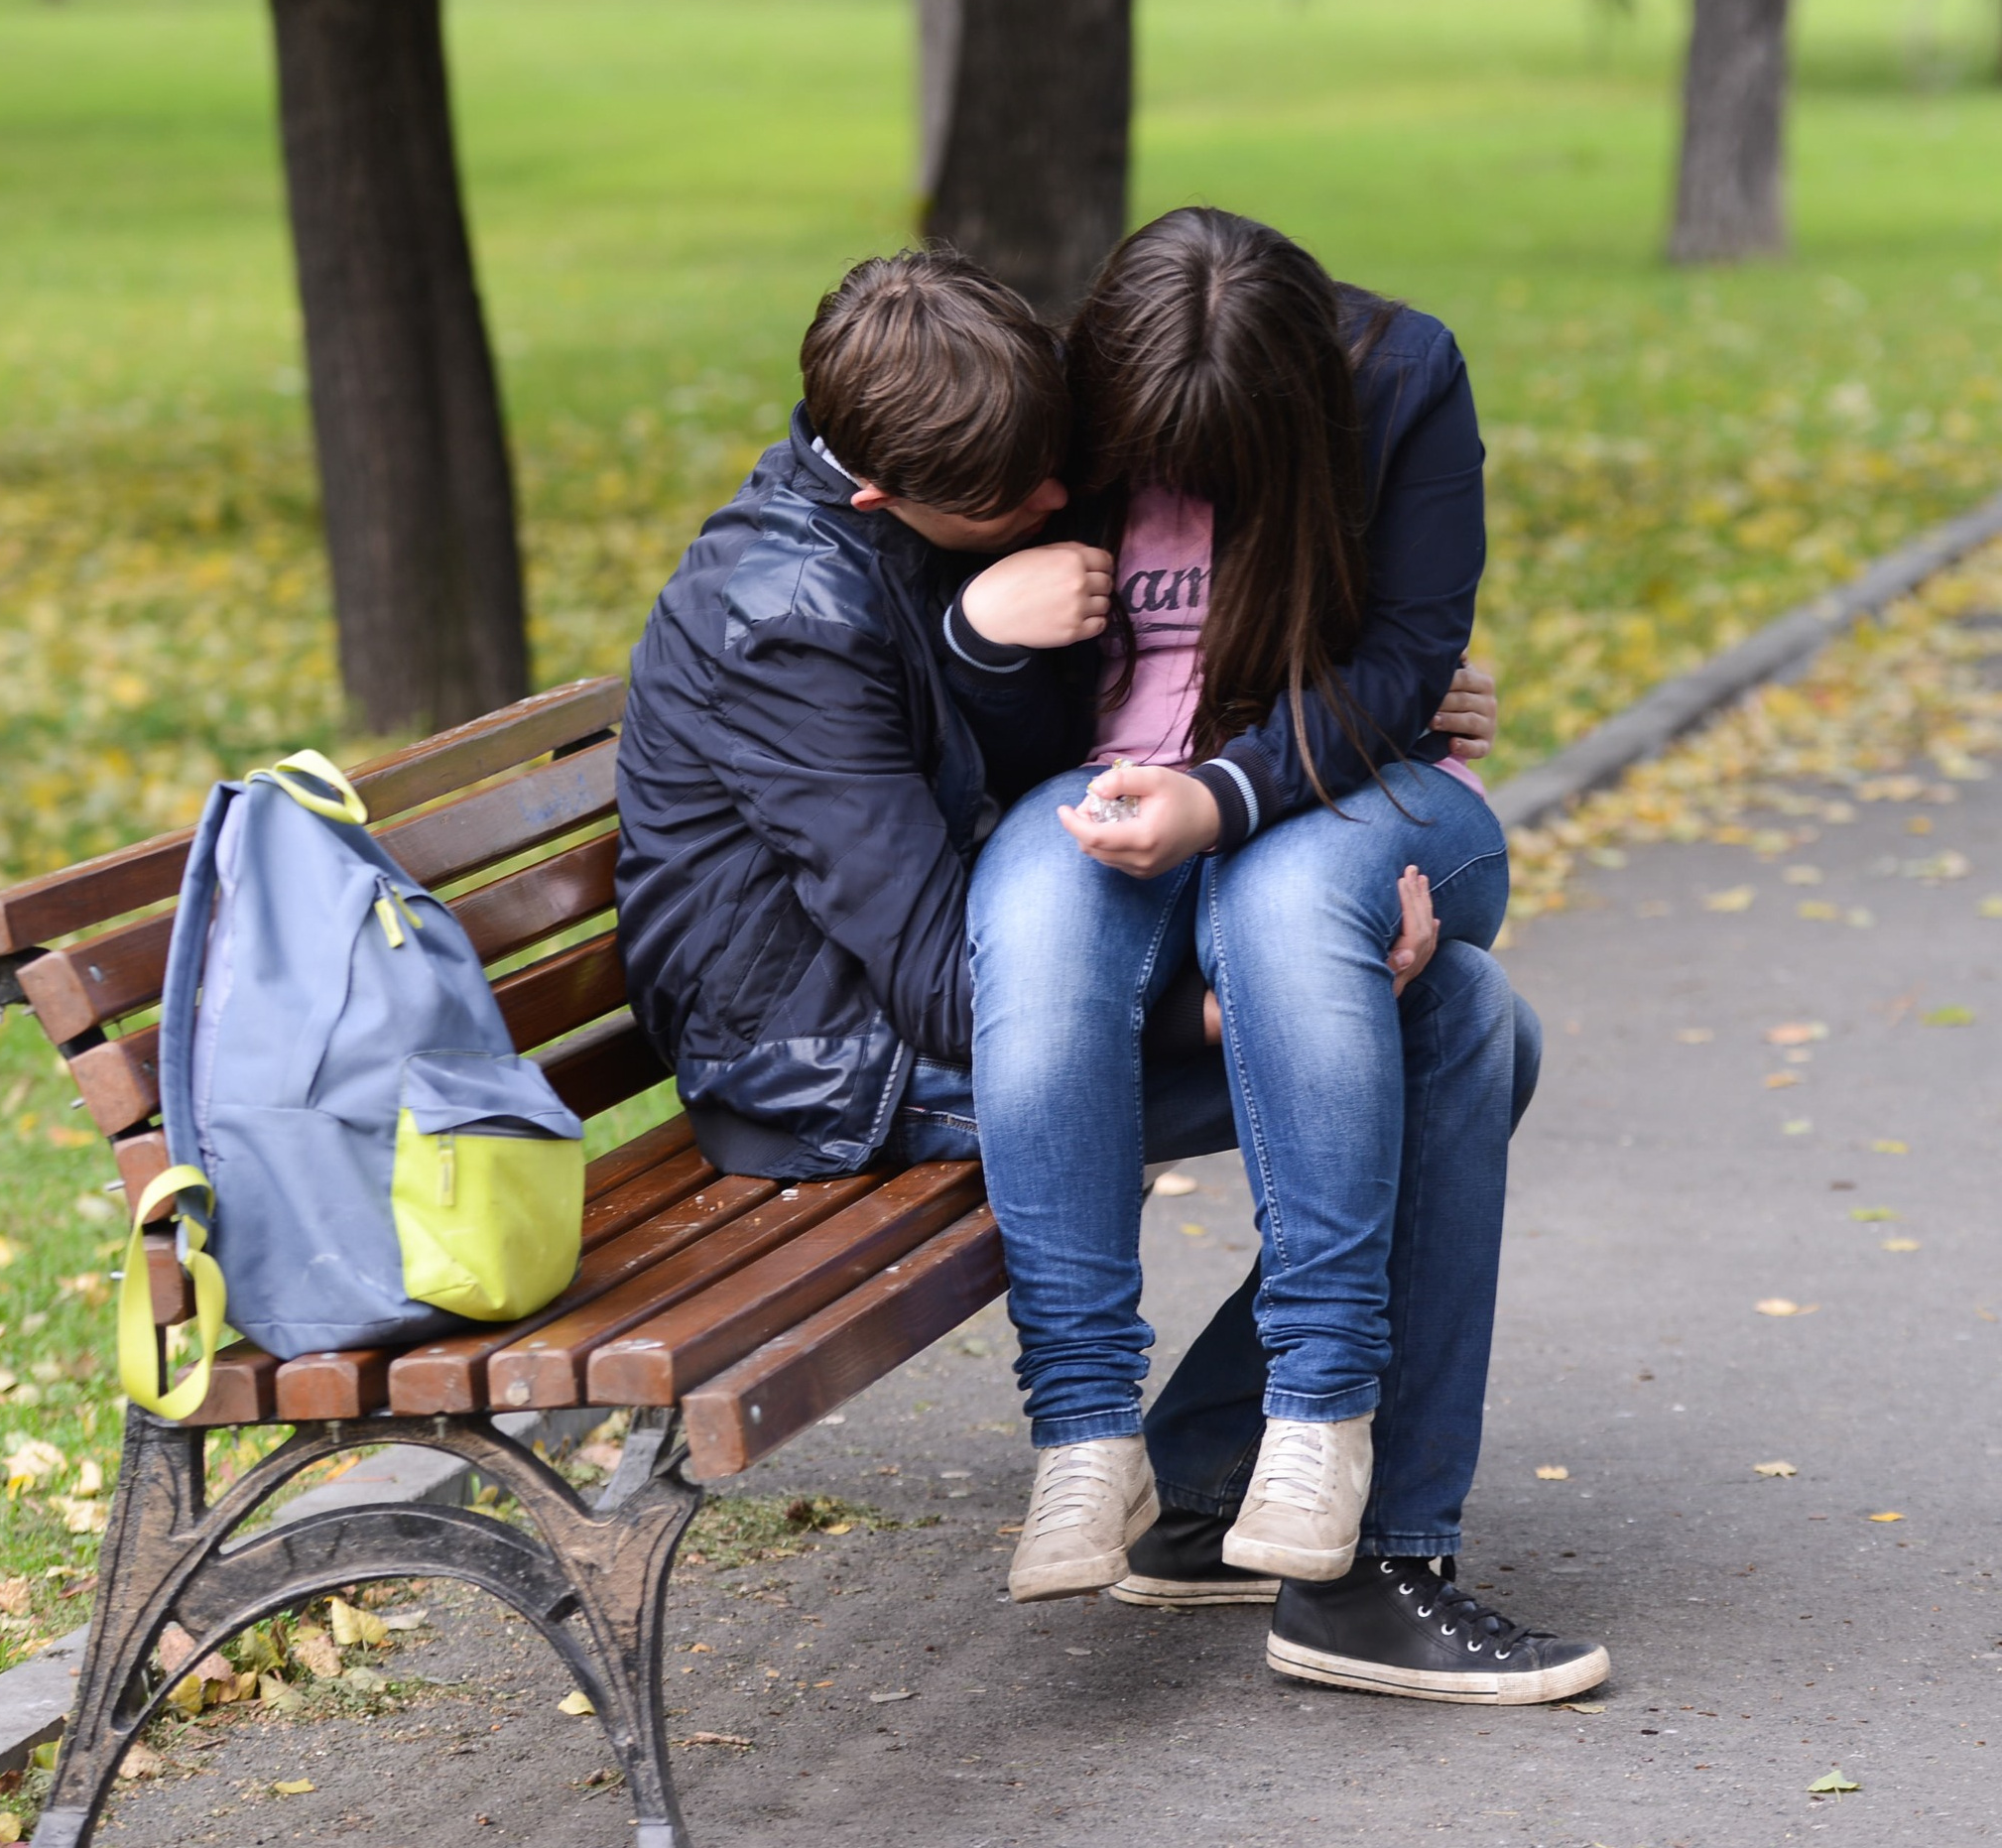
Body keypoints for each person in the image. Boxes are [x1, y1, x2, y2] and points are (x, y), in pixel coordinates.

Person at [610, 245, 1603, 1703]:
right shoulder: (792, 614)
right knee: (1449, 1026)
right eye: (1021, 502)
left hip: (962, 994)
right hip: (846, 1068)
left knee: (1457, 1022)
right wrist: (1244, 996)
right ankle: (1334, 1545)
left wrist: (1378, 693)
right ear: (893, 501)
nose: (1063, 501)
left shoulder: (942, 478)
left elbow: (1103, 719)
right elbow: (955, 978)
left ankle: (1215, 1490)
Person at [950, 207, 1611, 1703]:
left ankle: (1319, 1421)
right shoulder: (1073, 398)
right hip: (1119, 820)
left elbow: (1404, 662)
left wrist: (1224, 796)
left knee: (1285, 910)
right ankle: (1108, 1448)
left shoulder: (1398, 383)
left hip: (1338, 790)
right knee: (1468, 1025)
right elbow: (871, 515)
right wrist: (989, 643)